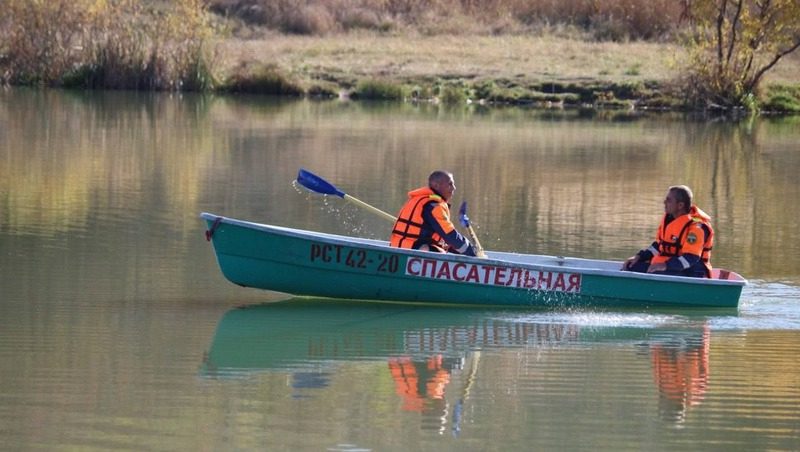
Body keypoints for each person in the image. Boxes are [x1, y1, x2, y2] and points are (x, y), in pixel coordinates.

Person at [622, 185, 714, 278]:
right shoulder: (670, 221)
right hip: (672, 268)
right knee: (631, 266)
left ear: (680, 205)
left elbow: (691, 258)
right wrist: (639, 257)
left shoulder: (697, 228)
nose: (664, 202)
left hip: (692, 273)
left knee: (654, 273)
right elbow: (659, 246)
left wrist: (665, 265)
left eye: (669, 200)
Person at [390, 171, 477, 256]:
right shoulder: (434, 206)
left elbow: (447, 240)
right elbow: (450, 235)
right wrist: (472, 252)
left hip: (396, 248)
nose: (454, 188)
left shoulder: (420, 199)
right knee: (441, 252)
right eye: (450, 184)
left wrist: (466, 250)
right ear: (436, 186)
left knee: (445, 247)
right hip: (410, 251)